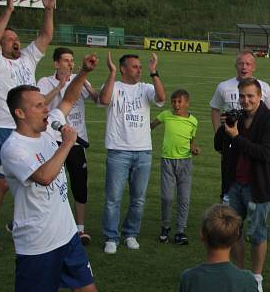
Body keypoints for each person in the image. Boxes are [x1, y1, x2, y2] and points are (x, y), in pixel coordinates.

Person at [0, 54, 99, 292]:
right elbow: (43, 176)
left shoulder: (46, 127)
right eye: (39, 105)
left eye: (45, 104)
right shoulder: (14, 148)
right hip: (37, 240)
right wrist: (67, 143)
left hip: (66, 234)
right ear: (20, 113)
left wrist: (83, 72)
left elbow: (68, 98)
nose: (47, 109)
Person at [0, 0, 56, 248]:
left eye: (16, 37)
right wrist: (8, 11)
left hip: (29, 129)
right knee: (1, 187)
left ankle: (27, 224)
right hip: (2, 127)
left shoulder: (28, 59)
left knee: (36, 181)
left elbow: (46, 35)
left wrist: (49, 11)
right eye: (9, 38)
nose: (15, 40)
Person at [214, 78, 270, 292]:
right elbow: (219, 146)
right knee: (232, 232)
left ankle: (256, 277)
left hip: (258, 186)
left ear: (260, 96)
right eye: (242, 96)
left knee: (257, 233)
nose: (246, 100)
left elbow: (265, 154)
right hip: (234, 184)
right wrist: (225, 128)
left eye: (250, 96)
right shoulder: (238, 117)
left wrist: (237, 137)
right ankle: (238, 274)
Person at [99, 52, 166, 254]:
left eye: (140, 67)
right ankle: (111, 237)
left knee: (138, 199)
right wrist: (111, 73)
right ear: (123, 69)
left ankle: (130, 234)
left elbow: (161, 98)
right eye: (135, 66)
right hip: (118, 150)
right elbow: (104, 99)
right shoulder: (114, 86)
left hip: (143, 151)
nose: (139, 70)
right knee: (113, 198)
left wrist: (154, 72)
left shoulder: (145, 87)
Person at [37, 47, 99, 244]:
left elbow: (99, 100)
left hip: (75, 139)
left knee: (79, 183)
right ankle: (43, 222)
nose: (70, 64)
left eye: (72, 60)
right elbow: (40, 105)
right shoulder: (44, 82)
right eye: (65, 60)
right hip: (52, 139)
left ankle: (80, 230)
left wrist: (86, 85)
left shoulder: (80, 80)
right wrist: (59, 86)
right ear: (56, 63)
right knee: (50, 184)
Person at [209, 51, 270, 201]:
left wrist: (236, 137)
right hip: (232, 156)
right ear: (235, 65)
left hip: (256, 171)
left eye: (248, 64)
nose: (244, 67)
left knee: (255, 222)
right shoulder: (224, 87)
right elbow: (215, 110)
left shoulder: (264, 89)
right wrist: (221, 131)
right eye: (241, 63)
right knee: (230, 215)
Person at [151, 89, 200, 246]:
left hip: (185, 162)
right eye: (173, 101)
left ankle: (180, 231)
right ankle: (165, 227)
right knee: (167, 197)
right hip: (168, 162)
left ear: (187, 103)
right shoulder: (166, 115)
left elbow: (192, 139)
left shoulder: (193, 121)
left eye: (180, 101)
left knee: (184, 198)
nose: (176, 104)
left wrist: (194, 147)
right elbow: (151, 126)